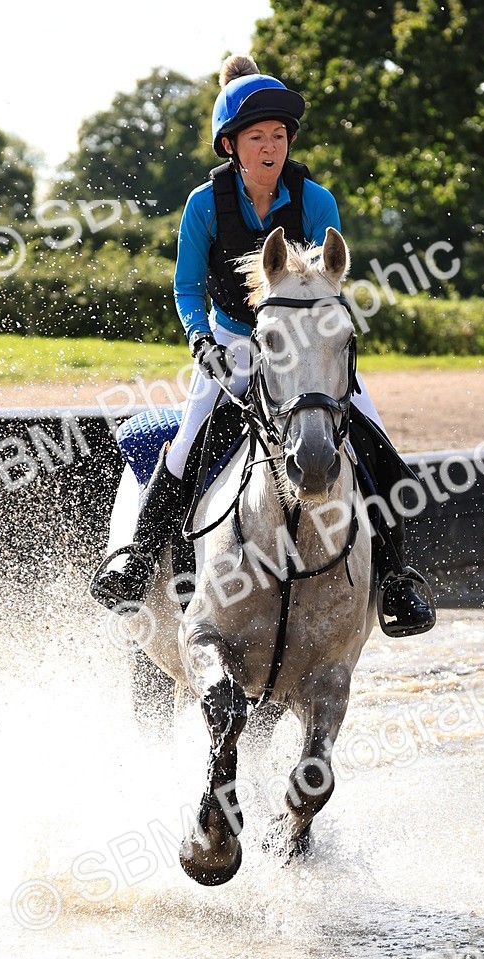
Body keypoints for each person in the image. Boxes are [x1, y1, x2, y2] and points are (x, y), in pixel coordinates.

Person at [90, 54, 434, 635]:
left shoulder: (316, 201)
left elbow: (328, 286)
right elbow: (186, 286)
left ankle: (398, 580)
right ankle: (137, 563)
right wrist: (202, 341)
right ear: (231, 145)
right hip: (232, 340)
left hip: (306, 346)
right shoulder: (204, 205)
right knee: (186, 444)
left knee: (378, 445)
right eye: (257, 137)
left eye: (279, 136)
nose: (270, 147)